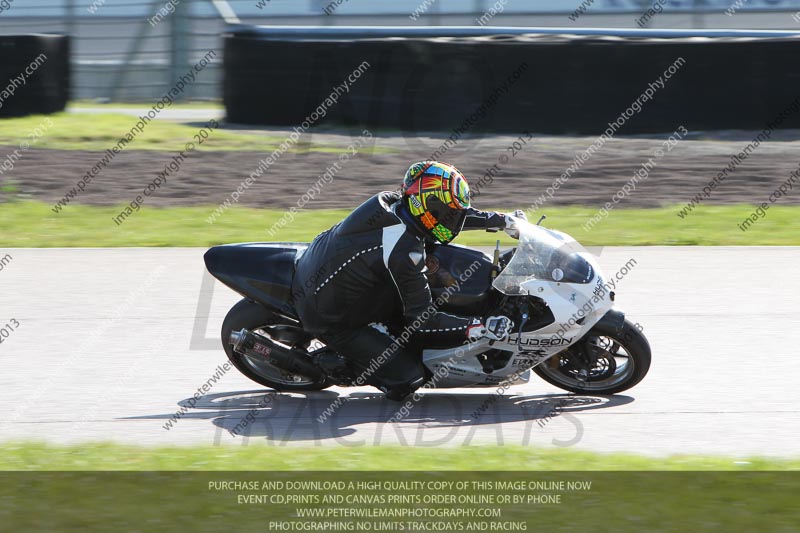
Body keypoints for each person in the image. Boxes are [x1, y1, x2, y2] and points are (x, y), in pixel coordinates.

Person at [292, 161, 524, 400]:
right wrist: (479, 327)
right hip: (330, 313)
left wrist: (501, 220)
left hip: (336, 274)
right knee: (408, 377)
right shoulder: (403, 250)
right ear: (426, 207)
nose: (452, 218)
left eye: (453, 212)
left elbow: (451, 216)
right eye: (447, 212)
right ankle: (336, 365)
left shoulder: (397, 203)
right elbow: (422, 319)